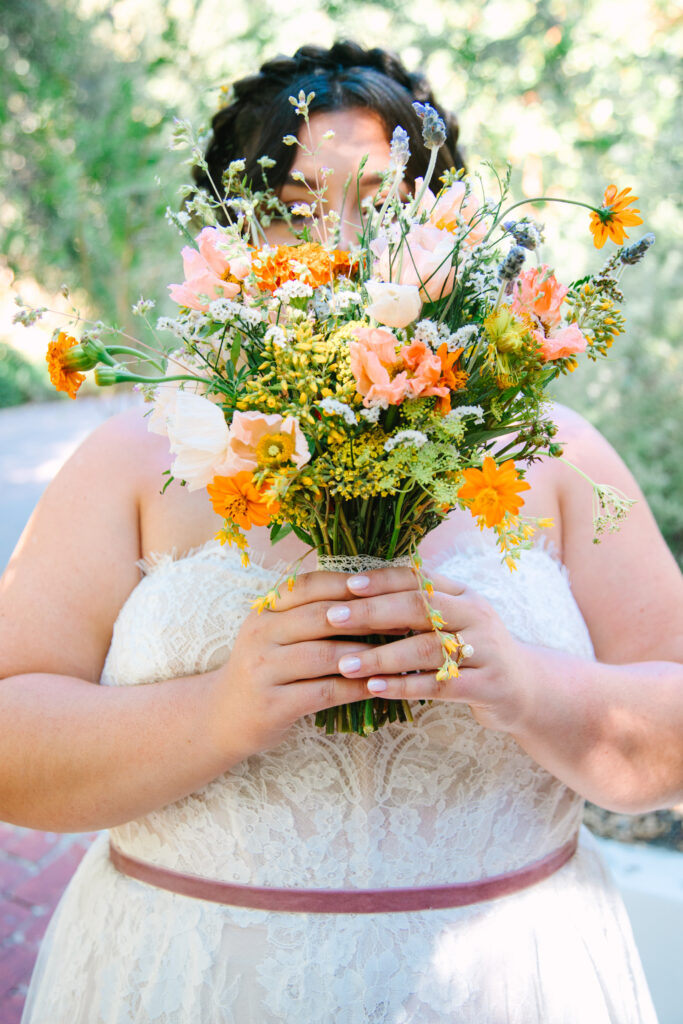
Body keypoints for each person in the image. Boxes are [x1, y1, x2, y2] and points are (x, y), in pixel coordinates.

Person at [2, 40, 682, 1024]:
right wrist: (217, 713)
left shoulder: (556, 457)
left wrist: (530, 686)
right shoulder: (132, 458)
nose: (340, 241)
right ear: (228, 239)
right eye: (289, 206)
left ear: (445, 226)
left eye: (381, 201)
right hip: (193, 984)